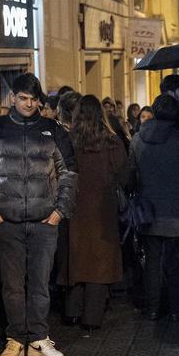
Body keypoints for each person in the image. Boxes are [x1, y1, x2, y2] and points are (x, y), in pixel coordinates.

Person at [0, 72, 78, 356]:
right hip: (7, 220)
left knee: (40, 283)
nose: (28, 104)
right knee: (12, 285)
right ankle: (16, 338)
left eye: (33, 99)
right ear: (12, 98)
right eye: (23, 98)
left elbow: (69, 172)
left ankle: (38, 337)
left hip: (45, 220)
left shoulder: (53, 129)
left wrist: (59, 211)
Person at [130, 94, 179, 321]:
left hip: (147, 211)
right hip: (176, 212)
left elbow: (131, 175)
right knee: (174, 261)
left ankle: (152, 308)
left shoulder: (138, 139)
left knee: (151, 261)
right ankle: (177, 309)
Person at [63, 95, 126, 330]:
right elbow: (124, 174)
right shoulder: (111, 141)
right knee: (99, 262)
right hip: (103, 209)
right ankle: (91, 317)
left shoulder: (70, 140)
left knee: (75, 259)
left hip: (74, 207)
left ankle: (72, 311)